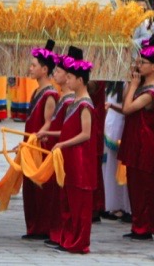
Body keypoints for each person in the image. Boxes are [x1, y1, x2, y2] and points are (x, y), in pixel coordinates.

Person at [119, 43, 154, 241]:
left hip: (145, 145)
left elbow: (127, 109)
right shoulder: (142, 88)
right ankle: (138, 224)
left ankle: (144, 227)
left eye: (143, 63)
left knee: (144, 187)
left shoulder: (151, 93)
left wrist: (134, 86)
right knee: (135, 187)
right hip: (135, 141)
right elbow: (124, 102)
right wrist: (131, 84)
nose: (139, 66)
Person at [52, 51, 96, 254]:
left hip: (81, 159)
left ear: (80, 79)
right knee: (68, 201)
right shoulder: (75, 102)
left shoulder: (85, 104)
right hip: (71, 157)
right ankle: (68, 238)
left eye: (70, 77)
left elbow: (85, 134)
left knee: (80, 204)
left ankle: (79, 242)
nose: (67, 80)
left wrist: (62, 144)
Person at [23, 40, 59, 239]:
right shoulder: (37, 91)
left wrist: (34, 139)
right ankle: (33, 226)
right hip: (31, 143)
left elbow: (48, 123)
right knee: (29, 188)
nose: (31, 68)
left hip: (41, 146)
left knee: (40, 187)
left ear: (45, 70)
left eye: (34, 65)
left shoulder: (51, 94)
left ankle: (42, 227)